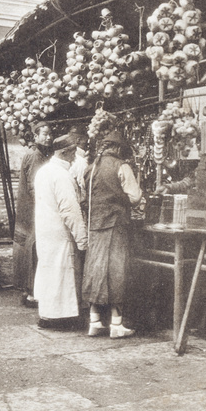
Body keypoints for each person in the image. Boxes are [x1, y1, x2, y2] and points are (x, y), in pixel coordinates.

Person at [82, 130, 143, 338]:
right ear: (117, 149)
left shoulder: (91, 168)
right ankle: (116, 324)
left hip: (95, 225)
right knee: (116, 271)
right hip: (116, 225)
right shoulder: (122, 166)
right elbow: (134, 197)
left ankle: (95, 321)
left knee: (96, 271)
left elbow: (85, 198)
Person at [34, 133, 88, 329]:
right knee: (61, 274)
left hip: (45, 230)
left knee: (49, 272)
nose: (75, 156)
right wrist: (82, 239)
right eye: (73, 152)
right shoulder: (61, 175)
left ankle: (47, 315)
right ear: (65, 152)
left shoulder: (44, 171)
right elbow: (70, 210)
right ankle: (61, 318)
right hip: (59, 232)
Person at [13, 121, 53, 307]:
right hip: (34, 210)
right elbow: (35, 187)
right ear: (35, 136)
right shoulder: (36, 156)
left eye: (49, 134)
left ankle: (28, 290)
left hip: (28, 210)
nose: (48, 137)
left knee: (30, 249)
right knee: (34, 249)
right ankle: (31, 292)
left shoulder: (35, 154)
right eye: (44, 134)